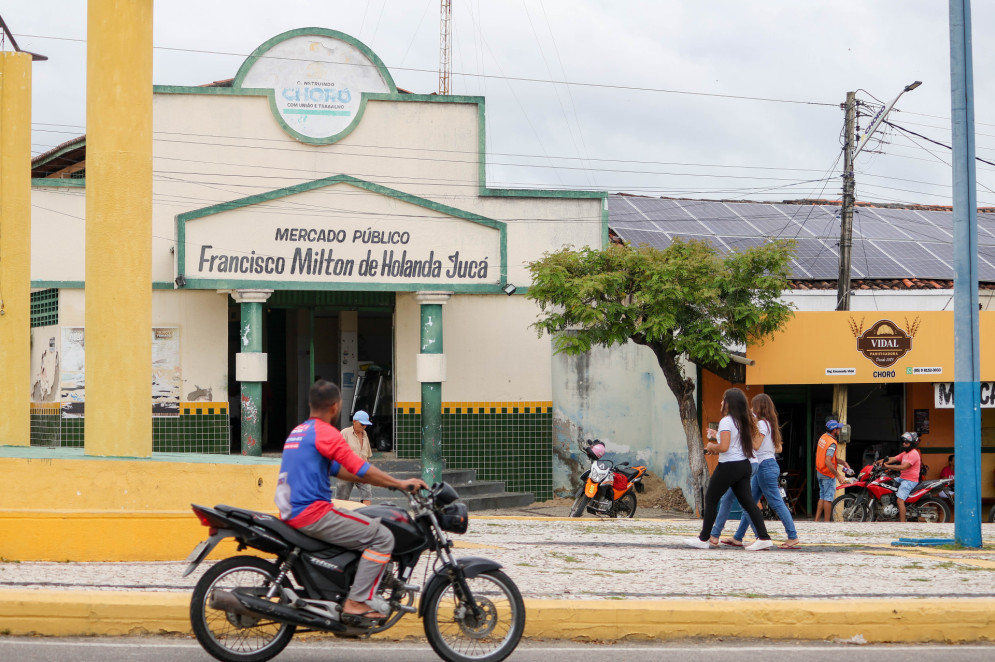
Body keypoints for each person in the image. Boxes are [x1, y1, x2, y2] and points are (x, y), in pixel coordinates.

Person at [274, 380, 427, 622]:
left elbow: (340, 469)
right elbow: (361, 468)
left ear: (311, 404)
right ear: (335, 407)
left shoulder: (300, 431)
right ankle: (357, 601)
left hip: (292, 510)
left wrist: (381, 481)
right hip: (313, 513)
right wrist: (398, 483)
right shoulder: (327, 433)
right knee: (382, 536)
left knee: (360, 526)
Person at [684, 388, 774, 551]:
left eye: (723, 399)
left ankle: (704, 538)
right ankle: (764, 537)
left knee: (711, 498)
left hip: (729, 465)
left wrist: (712, 446)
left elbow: (724, 447)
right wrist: (717, 446)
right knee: (748, 503)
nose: (720, 403)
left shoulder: (727, 421)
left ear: (729, 403)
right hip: (744, 465)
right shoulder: (745, 421)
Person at [719, 393, 800, 549]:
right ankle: (738, 537)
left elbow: (756, 446)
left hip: (764, 467)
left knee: (776, 503)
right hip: (767, 465)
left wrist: (743, 438)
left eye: (753, 406)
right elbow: (779, 448)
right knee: (749, 503)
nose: (750, 409)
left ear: (759, 407)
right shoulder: (770, 424)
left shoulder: (762, 424)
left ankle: (792, 536)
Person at [875, 432, 922, 522]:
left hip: (909, 480)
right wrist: (876, 463)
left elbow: (904, 467)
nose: (904, 444)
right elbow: (892, 459)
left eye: (906, 442)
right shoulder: (905, 453)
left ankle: (902, 524)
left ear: (912, 444)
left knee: (900, 501)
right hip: (902, 478)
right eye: (903, 442)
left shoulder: (914, 454)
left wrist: (888, 466)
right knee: (885, 483)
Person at [814, 419, 851, 522]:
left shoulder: (823, 438)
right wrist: (838, 475)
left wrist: (842, 462)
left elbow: (826, 457)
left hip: (820, 472)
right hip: (827, 474)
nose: (839, 430)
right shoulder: (832, 443)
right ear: (834, 430)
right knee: (828, 499)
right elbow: (828, 461)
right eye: (838, 428)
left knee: (822, 497)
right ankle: (827, 523)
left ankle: (816, 521)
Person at [336, 410, 375, 506]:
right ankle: (341, 517)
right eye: (362, 424)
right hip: (346, 471)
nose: (364, 427)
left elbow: (367, 454)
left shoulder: (365, 435)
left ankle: (366, 516)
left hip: (362, 470)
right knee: (342, 499)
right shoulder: (345, 433)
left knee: (367, 495)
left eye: (366, 425)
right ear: (354, 421)